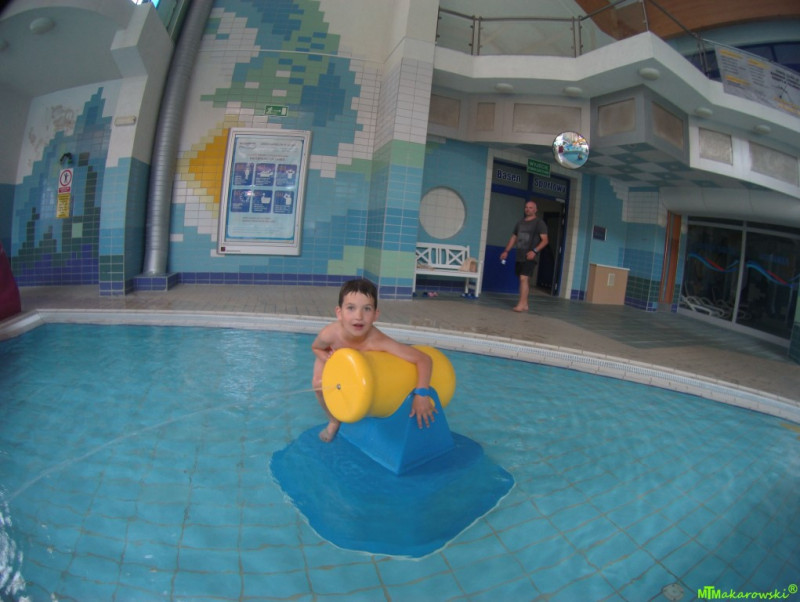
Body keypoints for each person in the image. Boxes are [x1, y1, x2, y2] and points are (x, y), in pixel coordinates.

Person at [311, 278, 436, 442]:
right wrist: (328, 359)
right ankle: (334, 421)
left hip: (360, 370)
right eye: (351, 308)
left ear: (376, 314)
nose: (359, 316)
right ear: (339, 313)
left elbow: (424, 359)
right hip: (335, 360)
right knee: (318, 385)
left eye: (367, 309)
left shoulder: (377, 341)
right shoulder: (330, 334)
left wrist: (422, 394)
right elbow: (316, 347)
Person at [499, 200, 549, 312]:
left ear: (535, 210)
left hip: (530, 256)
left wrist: (534, 251)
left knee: (523, 278)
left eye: (531, 207)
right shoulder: (520, 223)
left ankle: (521, 305)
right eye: (526, 207)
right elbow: (514, 238)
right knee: (523, 279)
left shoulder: (539, 223)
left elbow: (545, 240)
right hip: (520, 255)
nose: (528, 209)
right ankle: (525, 304)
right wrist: (506, 251)